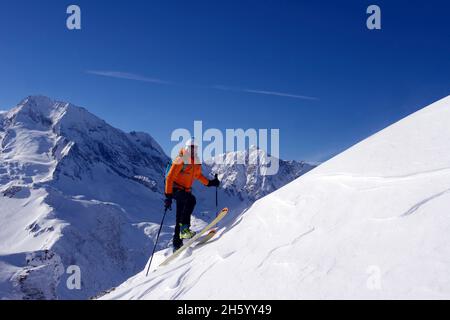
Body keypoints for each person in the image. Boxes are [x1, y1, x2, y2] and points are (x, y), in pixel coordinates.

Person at [164, 138, 220, 251]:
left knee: (179, 217)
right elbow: (169, 178)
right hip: (175, 189)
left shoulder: (196, 162)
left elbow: (198, 176)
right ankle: (185, 230)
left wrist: (211, 183)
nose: (193, 150)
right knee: (191, 200)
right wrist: (168, 196)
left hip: (185, 190)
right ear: (187, 147)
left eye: (195, 148)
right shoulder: (180, 159)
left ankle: (177, 245)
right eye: (191, 147)